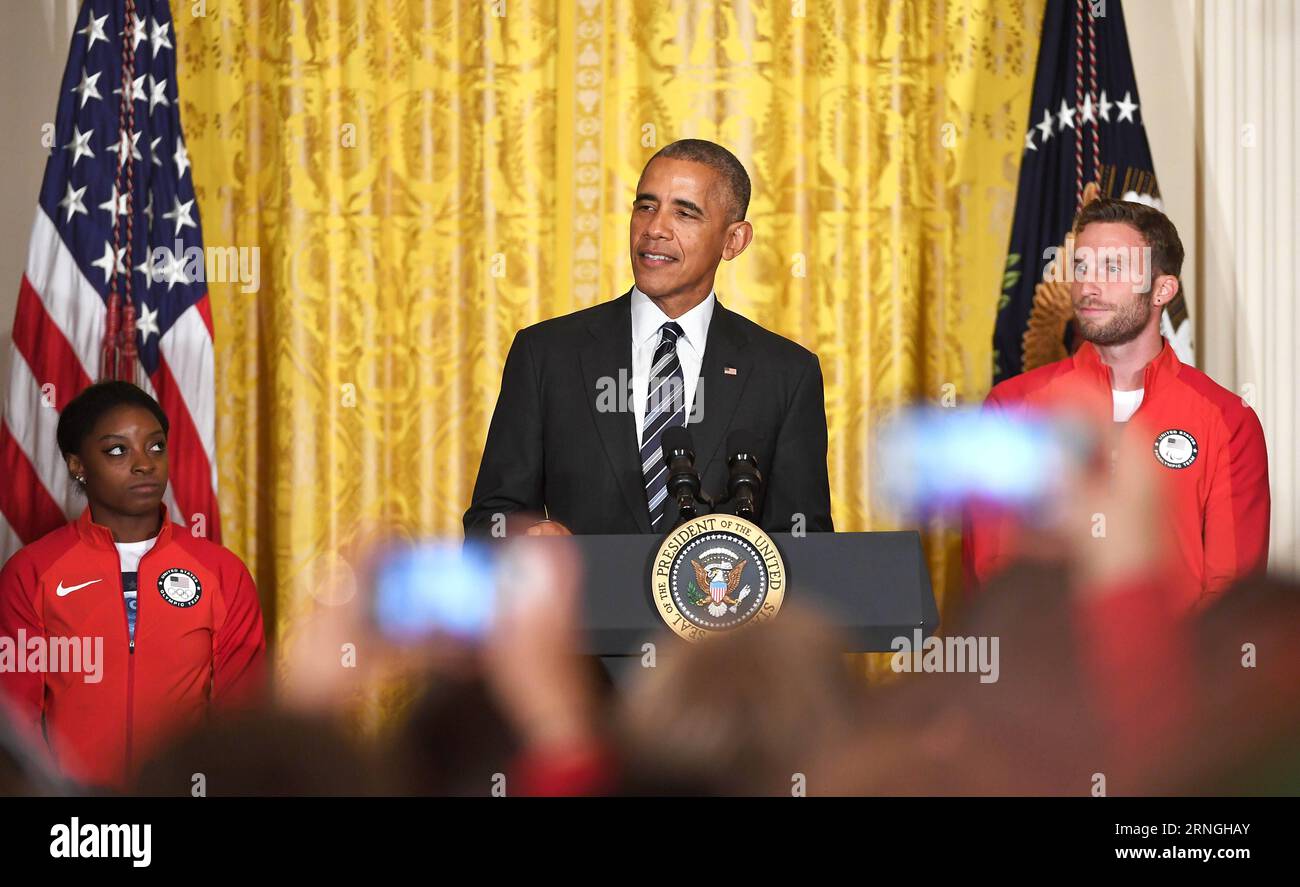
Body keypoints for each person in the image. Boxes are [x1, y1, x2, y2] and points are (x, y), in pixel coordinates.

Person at [464, 139, 833, 537]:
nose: (655, 229)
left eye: (685, 213)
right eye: (646, 206)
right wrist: (527, 537)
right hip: (587, 599)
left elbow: (805, 543)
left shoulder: (784, 373)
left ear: (734, 240)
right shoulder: (547, 355)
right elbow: (492, 520)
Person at [963, 199, 1270, 607]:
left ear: (1163, 289)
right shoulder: (1012, 408)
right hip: (1047, 664)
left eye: (1112, 268)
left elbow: (1233, 595)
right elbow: (993, 569)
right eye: (1082, 267)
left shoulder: (1228, 421)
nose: (1088, 285)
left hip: (1175, 667)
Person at [0, 381, 266, 789]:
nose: (144, 463)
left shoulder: (221, 572)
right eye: (118, 450)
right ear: (77, 465)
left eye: (156, 446)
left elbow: (241, 715)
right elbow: (15, 718)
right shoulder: (32, 572)